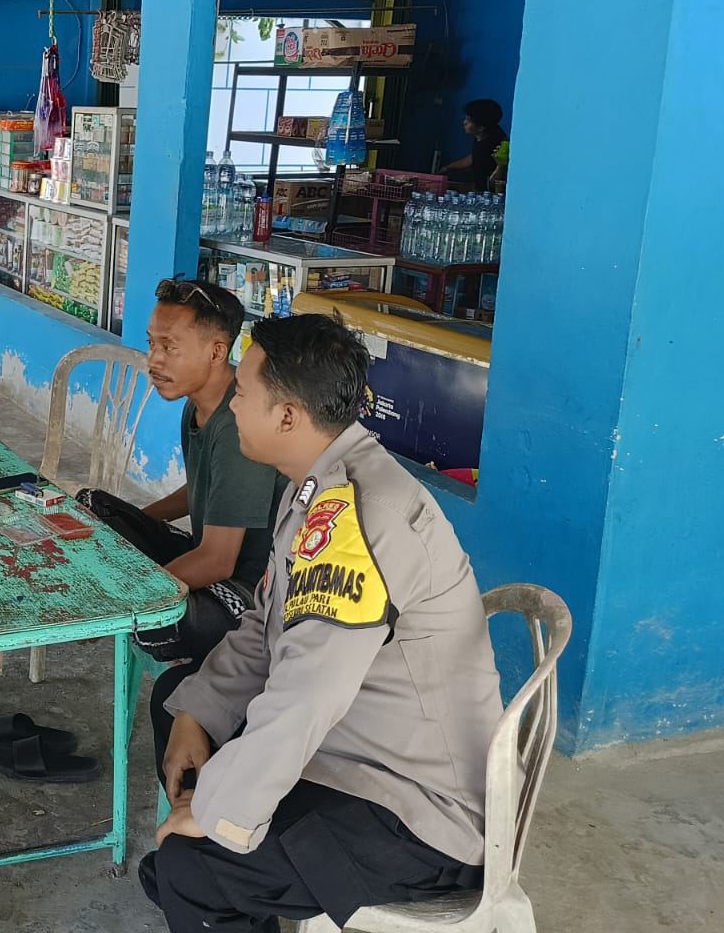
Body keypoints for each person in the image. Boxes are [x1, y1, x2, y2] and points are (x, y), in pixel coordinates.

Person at [143, 314, 502, 933]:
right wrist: (197, 715)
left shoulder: (354, 519)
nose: (232, 406)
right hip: (362, 753)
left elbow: (310, 688)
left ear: (287, 417)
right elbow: (266, 625)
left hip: (418, 814)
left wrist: (220, 809)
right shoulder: (318, 483)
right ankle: (215, 866)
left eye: (243, 394)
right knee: (178, 699)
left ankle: (206, 874)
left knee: (190, 866)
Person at [81, 277, 283, 663]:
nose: (154, 360)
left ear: (217, 351)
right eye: (152, 344)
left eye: (170, 347)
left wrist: (130, 596)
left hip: (249, 590)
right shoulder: (197, 403)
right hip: (205, 553)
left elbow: (218, 561)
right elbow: (202, 489)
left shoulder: (239, 424)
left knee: (155, 625)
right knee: (93, 509)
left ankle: (116, 608)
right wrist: (133, 528)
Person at [444, 98, 507, 191]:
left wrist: (450, 185)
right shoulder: (487, 132)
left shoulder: (489, 150)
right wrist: (449, 167)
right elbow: (473, 157)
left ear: (480, 128)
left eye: (468, 120)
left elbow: (484, 186)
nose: (464, 122)